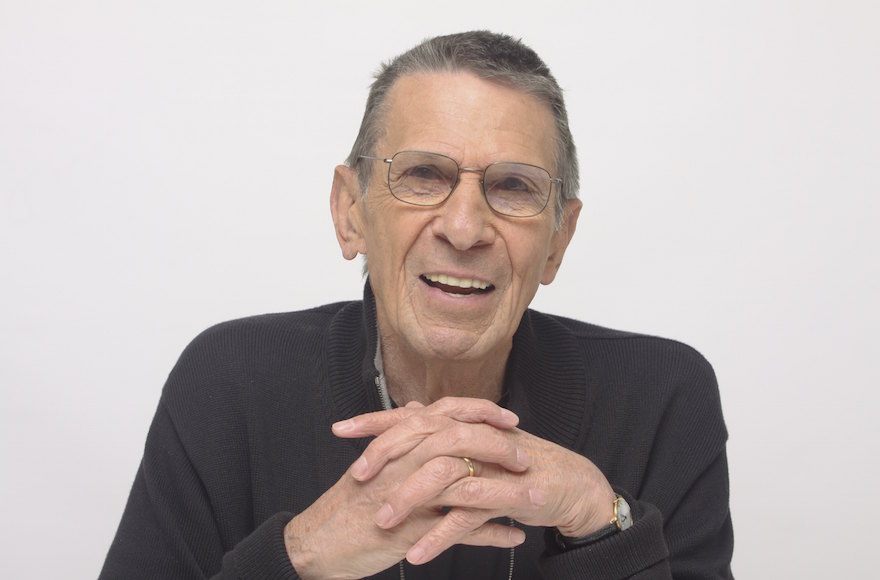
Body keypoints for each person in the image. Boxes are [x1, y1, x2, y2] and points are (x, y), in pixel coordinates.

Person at [100, 31, 733, 579]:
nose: (464, 228)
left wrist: (600, 522)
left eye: (513, 187)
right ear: (350, 213)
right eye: (423, 175)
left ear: (557, 242)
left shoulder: (665, 394)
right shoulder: (229, 378)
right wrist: (302, 554)